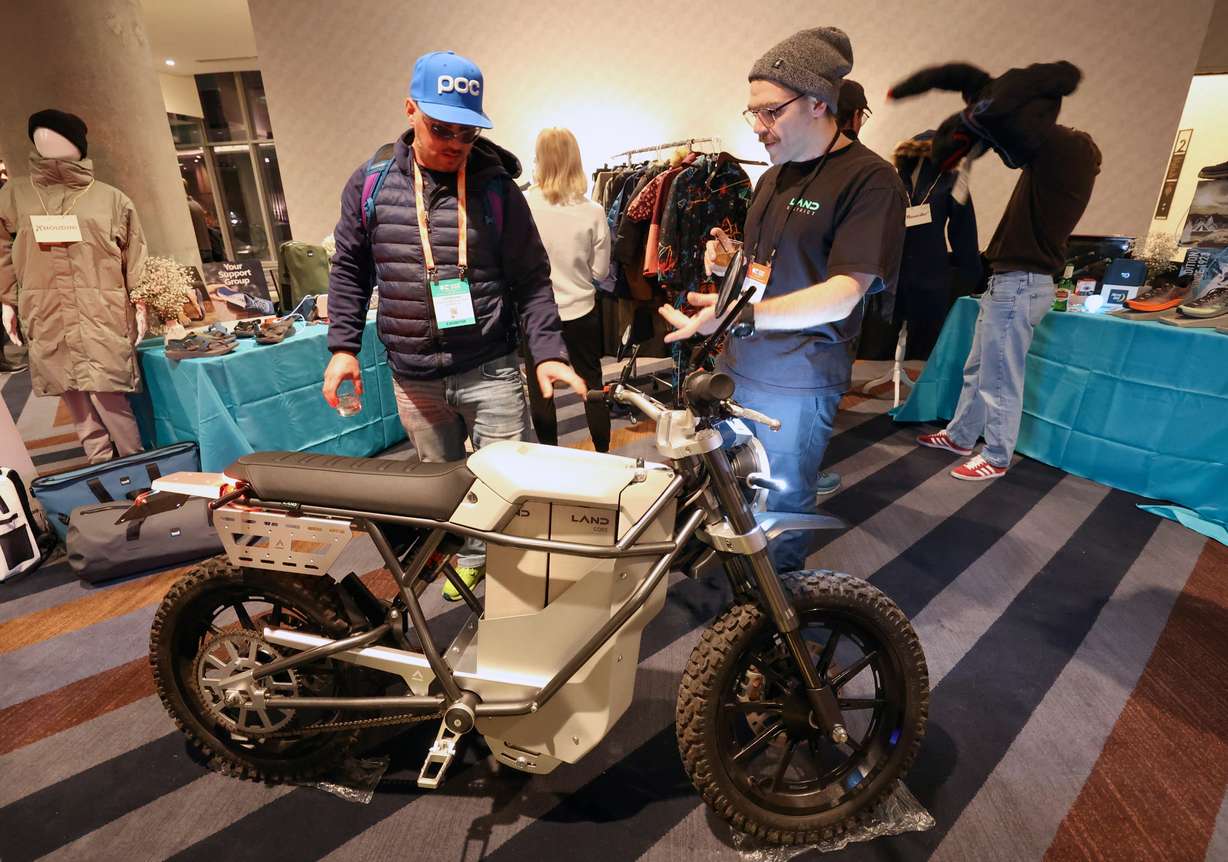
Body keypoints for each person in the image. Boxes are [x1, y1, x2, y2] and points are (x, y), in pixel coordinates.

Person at [322, 51, 585, 599]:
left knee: (511, 486)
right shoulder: (369, 185)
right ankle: (466, 558)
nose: (453, 144)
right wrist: (343, 346)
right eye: (441, 129)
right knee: (438, 487)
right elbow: (349, 266)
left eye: (466, 134)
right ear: (410, 108)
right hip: (414, 376)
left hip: (490, 368)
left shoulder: (496, 190)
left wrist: (550, 351)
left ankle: (518, 584)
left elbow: (533, 277)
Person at [660, 27, 907, 572]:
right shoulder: (772, 179)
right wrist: (724, 279)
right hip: (740, 362)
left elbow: (845, 293)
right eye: (752, 113)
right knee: (730, 484)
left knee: (782, 500)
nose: (758, 127)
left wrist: (742, 316)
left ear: (820, 102)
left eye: (770, 112)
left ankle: (779, 625)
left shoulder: (871, 180)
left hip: (799, 375)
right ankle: (743, 590)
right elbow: (761, 269)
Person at [889, 60, 1100, 480]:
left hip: (1020, 282)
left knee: (1000, 374)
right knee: (979, 366)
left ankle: (998, 455)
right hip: (1010, 280)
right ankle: (961, 435)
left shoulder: (1065, 160)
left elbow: (1020, 128)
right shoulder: (1052, 172)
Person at [523, 128, 612, 452]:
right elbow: (600, 272)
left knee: (540, 390)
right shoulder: (593, 211)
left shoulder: (523, 204)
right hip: (580, 310)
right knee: (592, 385)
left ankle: (550, 459)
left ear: (539, 160)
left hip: (535, 314)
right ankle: (604, 456)